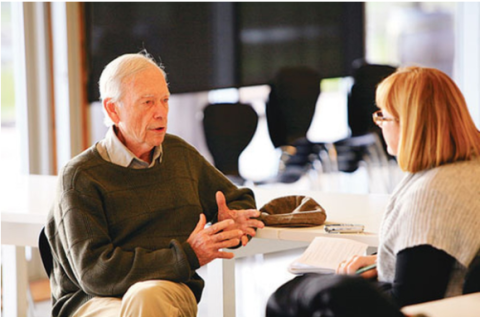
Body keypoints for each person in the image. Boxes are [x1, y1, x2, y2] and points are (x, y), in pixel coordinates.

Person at [45, 51, 265, 317]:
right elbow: (96, 274)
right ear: (113, 109)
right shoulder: (80, 176)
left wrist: (230, 221)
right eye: (147, 102)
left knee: (147, 296)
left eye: (164, 100)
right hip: (93, 300)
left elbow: (237, 200)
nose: (161, 113)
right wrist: (187, 255)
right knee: (141, 301)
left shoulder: (180, 155)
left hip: (168, 289)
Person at [267, 66, 480, 316]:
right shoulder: (468, 168)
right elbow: (430, 263)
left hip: (437, 310)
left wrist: (351, 283)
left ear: (409, 125)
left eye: (383, 116)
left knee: (285, 299)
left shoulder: (431, 194)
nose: (379, 124)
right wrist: (382, 262)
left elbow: (410, 301)